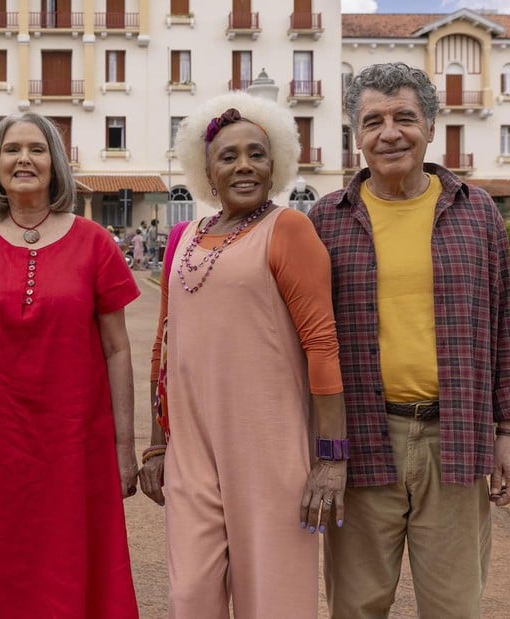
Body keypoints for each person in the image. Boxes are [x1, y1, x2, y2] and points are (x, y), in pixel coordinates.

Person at [309, 62, 510, 618]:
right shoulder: (326, 220)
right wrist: (319, 448)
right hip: (361, 438)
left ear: (431, 127)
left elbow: (505, 323)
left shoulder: (476, 212)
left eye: (405, 117)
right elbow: (304, 338)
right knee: (356, 606)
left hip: (454, 437)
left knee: (454, 606)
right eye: (373, 121)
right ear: (356, 136)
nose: (389, 132)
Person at [138, 92, 347, 617]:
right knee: (191, 596)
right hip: (192, 448)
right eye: (228, 156)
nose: (244, 165)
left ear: (275, 163)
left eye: (256, 153)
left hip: (270, 449)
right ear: (206, 169)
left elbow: (322, 344)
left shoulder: (290, 229)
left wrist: (330, 458)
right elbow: (165, 345)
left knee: (271, 599)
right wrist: (158, 445)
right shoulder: (183, 237)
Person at [0, 112, 140, 618]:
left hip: (77, 440)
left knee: (74, 559)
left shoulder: (94, 241)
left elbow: (117, 348)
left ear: (55, 163)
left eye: (37, 149)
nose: (24, 158)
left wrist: (124, 447)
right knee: (4, 561)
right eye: (11, 149)